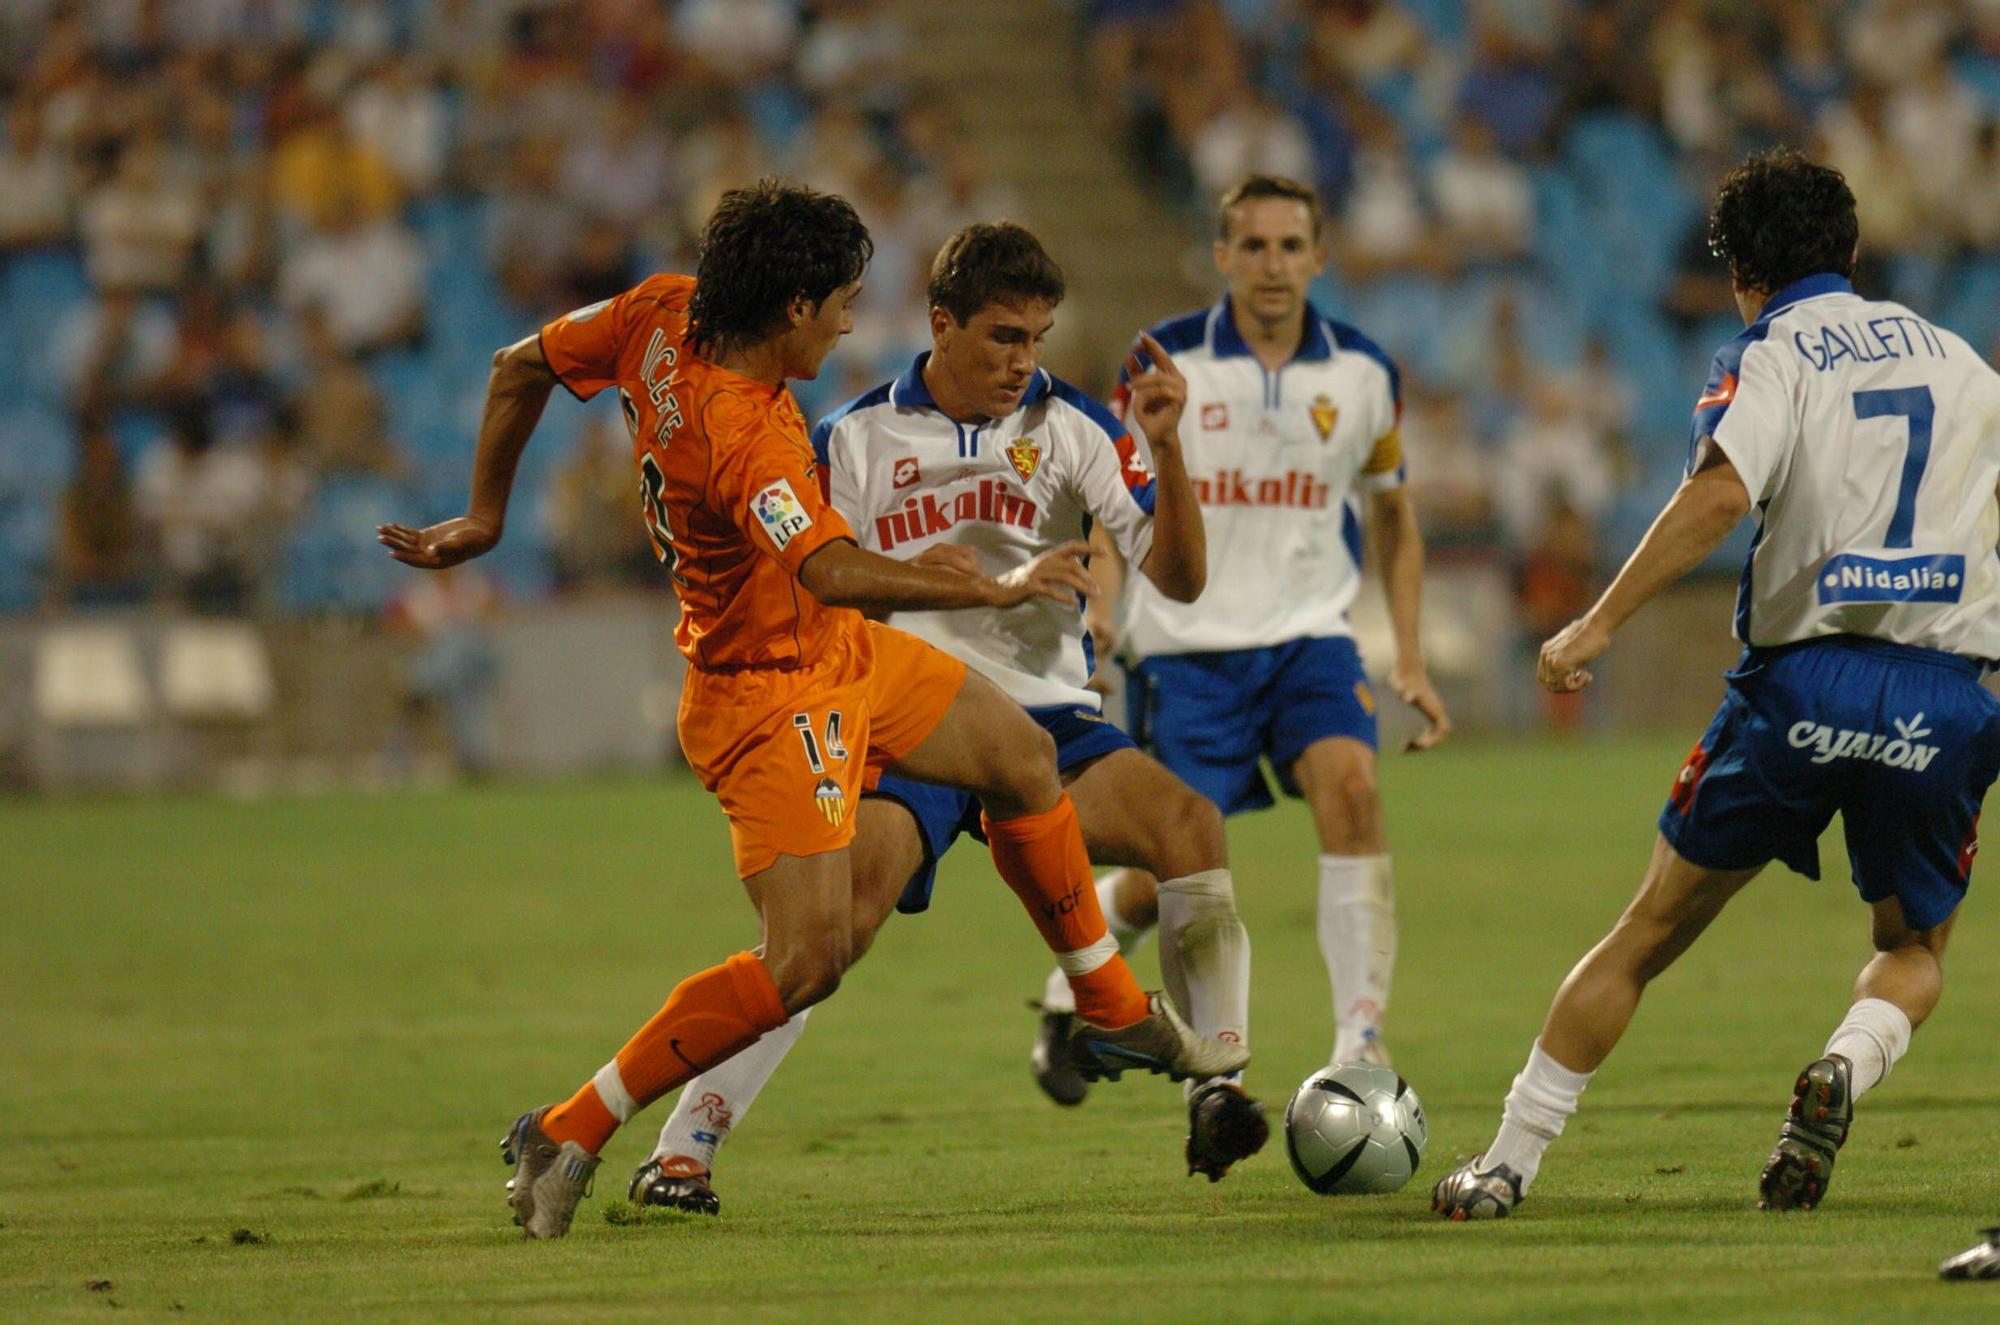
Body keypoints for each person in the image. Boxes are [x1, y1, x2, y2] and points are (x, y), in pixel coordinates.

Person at [377, 180, 1245, 1240]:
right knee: (806, 958)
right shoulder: (753, 435)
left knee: (1021, 755)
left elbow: (520, 367)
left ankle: (1107, 1005)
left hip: (844, 655)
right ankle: (572, 1124)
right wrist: (986, 585)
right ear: (791, 305)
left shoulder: (657, 311)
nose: (846, 321)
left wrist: (484, 512)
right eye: (838, 301)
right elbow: (832, 569)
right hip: (768, 690)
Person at [629, 222, 1264, 1216]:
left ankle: (1217, 1087)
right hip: (897, 715)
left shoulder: (1075, 428)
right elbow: (810, 595)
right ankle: (684, 1143)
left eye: (1038, 338)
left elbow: (1178, 575)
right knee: (826, 933)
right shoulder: (851, 439)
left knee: (1188, 825)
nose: (1022, 361)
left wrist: (1167, 444)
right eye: (1003, 336)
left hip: (1045, 719)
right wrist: (932, 592)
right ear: (941, 323)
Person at [1433, 149, 2000, 1221]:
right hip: (1943, 695)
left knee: (1643, 934)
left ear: (1740, 271)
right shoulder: (1962, 363)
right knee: (1912, 947)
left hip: (1802, 686)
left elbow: (1719, 493)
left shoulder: (1770, 353)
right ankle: (1840, 1062)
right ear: (1850, 249)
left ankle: (1505, 1163)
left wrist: (1594, 619)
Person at [1062, 173, 1449, 1080]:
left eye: (1290, 246)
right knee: (1171, 874)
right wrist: (1105, 611)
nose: (1273, 264)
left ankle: (1359, 1040)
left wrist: (1414, 657)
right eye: (1254, 245)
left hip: (1310, 639)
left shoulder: (1363, 374)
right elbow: (1118, 508)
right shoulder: (1164, 364)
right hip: (1187, 651)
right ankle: (1071, 987)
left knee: (1353, 792)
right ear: (1222, 256)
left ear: (1319, 256)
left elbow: (1393, 518)